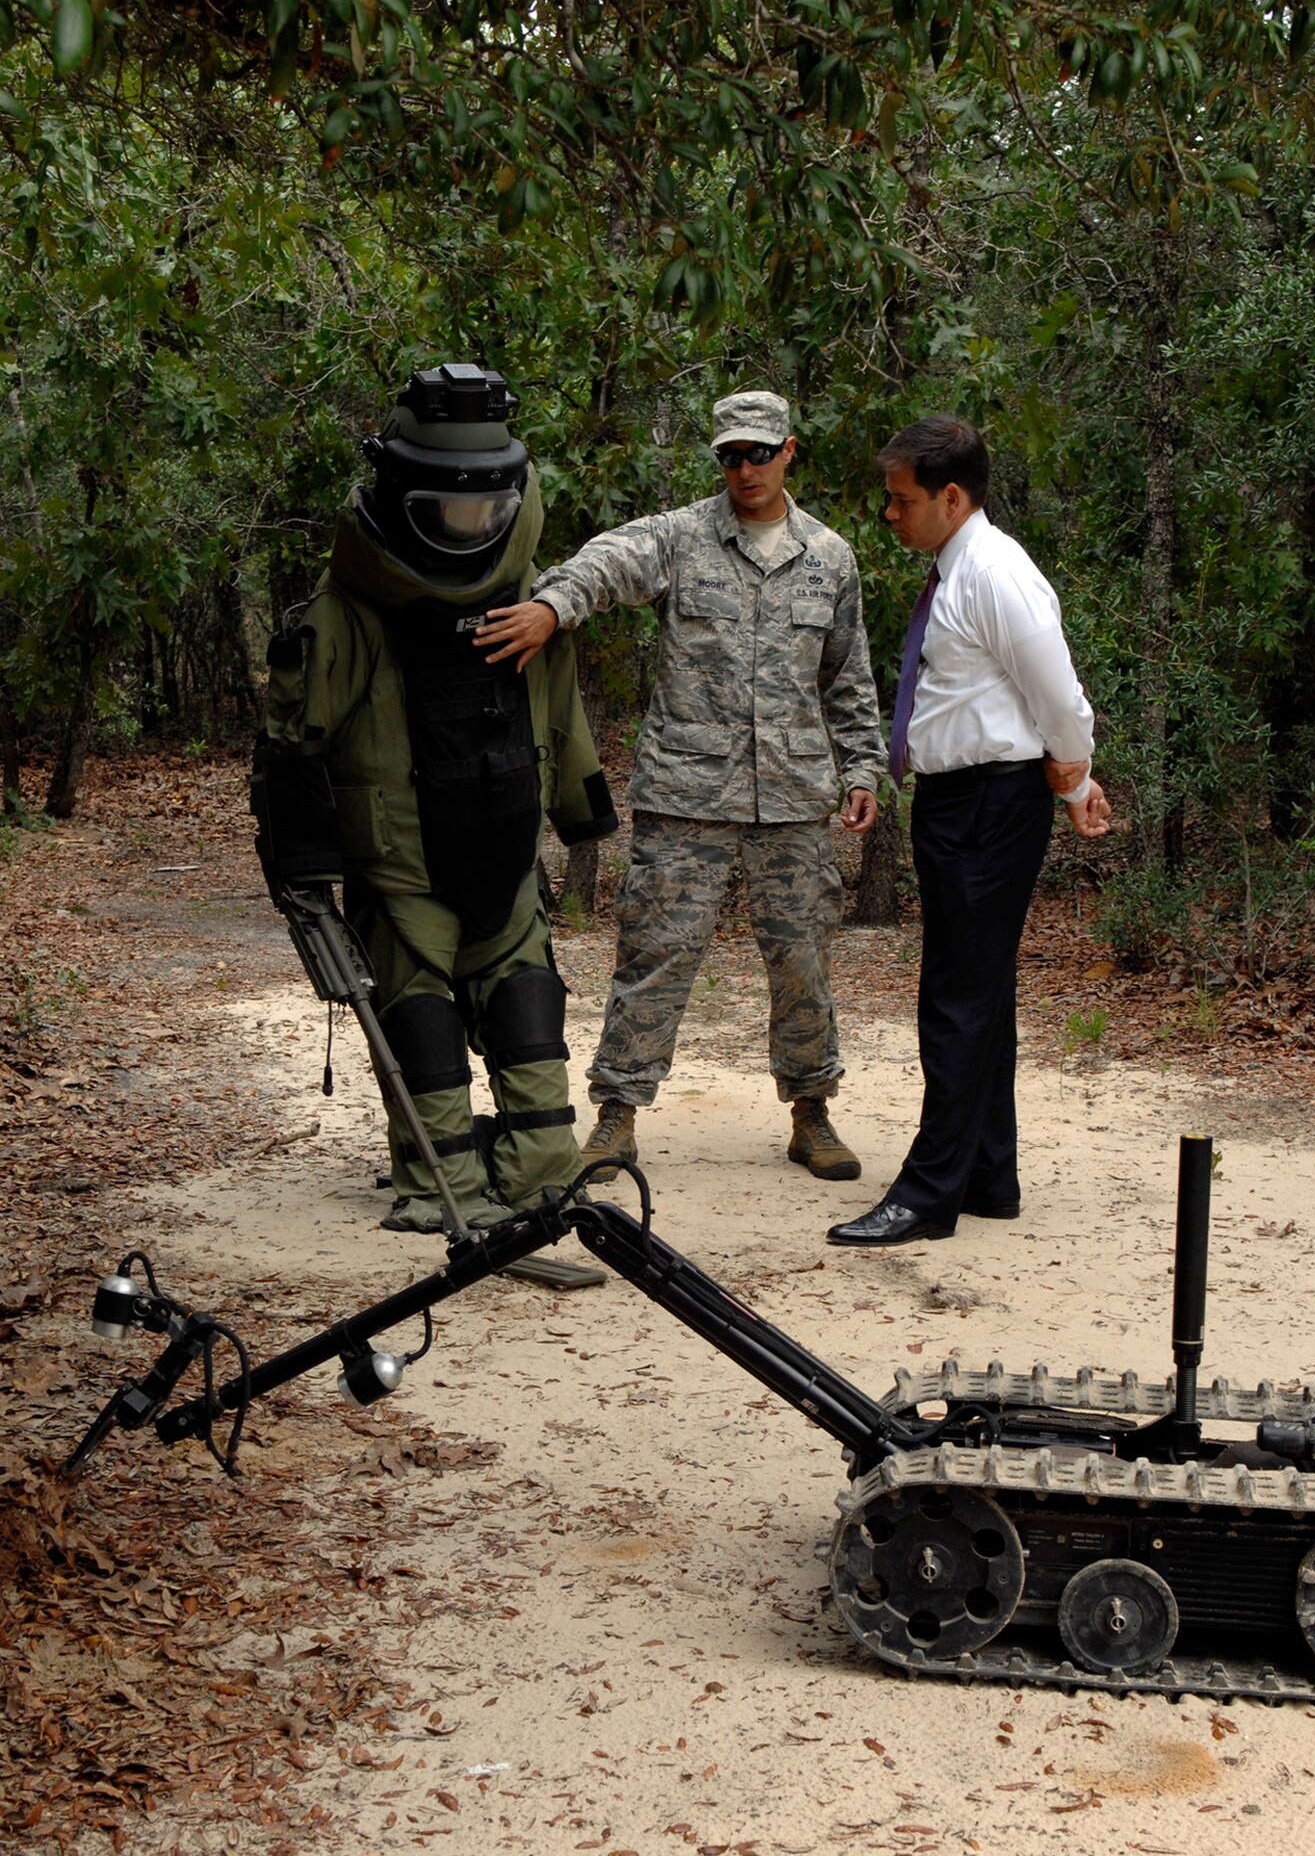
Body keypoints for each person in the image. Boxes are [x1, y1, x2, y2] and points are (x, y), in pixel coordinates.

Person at [252, 361, 618, 1288]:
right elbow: (292, 750)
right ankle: (444, 1181)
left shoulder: (533, 598)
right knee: (422, 1037)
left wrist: (582, 818)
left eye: (483, 514)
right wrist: (305, 884)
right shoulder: (347, 615)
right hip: (402, 877)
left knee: (538, 1063)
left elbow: (562, 714)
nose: (469, 531)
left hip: (507, 871)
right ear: (400, 494)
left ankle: (521, 1176)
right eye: (447, 513)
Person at [473, 388, 887, 1184]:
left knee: (802, 961)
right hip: (686, 796)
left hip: (795, 799)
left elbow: (848, 675)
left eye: (760, 453)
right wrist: (553, 608)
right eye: (730, 456)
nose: (745, 469)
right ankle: (617, 1117)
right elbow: (601, 564)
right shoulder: (680, 538)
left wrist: (863, 767)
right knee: (654, 957)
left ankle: (812, 1112)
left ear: (789, 451)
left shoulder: (829, 556)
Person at [827, 415, 1112, 1248]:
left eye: (902, 500)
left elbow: (1057, 695)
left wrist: (1076, 773)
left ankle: (928, 1193)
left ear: (952, 497)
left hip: (991, 801)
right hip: (963, 801)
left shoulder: (994, 572)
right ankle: (988, 1173)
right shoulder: (960, 571)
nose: (892, 515)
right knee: (980, 990)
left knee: (955, 997)